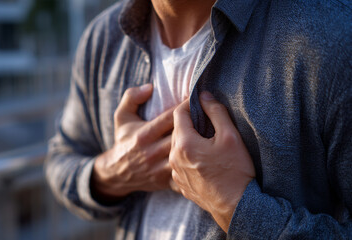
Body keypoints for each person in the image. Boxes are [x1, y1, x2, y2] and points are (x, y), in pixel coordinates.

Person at [46, 0, 352, 239]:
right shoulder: (104, 38)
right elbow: (61, 160)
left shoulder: (331, 37)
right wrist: (113, 172)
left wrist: (237, 207)